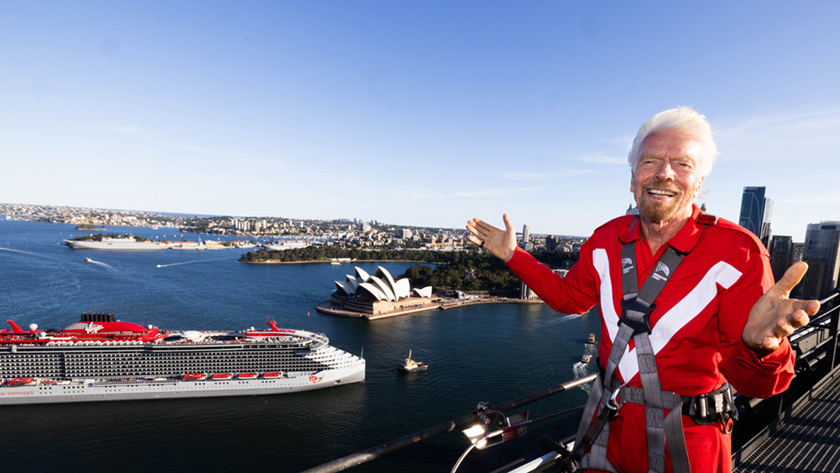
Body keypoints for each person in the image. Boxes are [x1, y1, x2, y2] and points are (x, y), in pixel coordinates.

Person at [465, 107, 820, 473]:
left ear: (699, 183)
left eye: (682, 164)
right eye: (651, 161)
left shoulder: (737, 252)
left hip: (686, 440)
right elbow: (568, 298)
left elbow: (758, 384)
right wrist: (514, 255)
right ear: (633, 176)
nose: (664, 172)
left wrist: (763, 348)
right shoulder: (606, 239)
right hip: (604, 430)